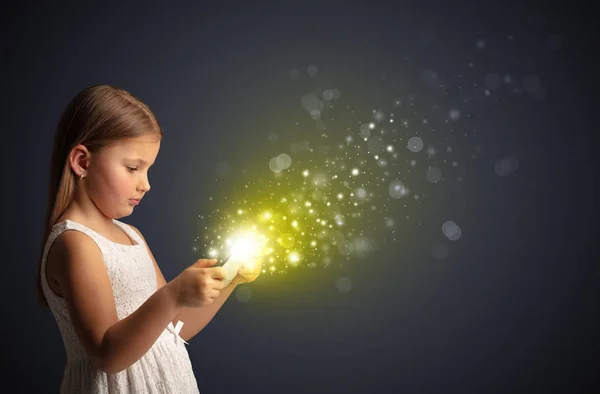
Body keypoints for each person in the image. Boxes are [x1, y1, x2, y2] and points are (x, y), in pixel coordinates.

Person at [35, 84, 261, 393]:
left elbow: (173, 329)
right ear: (83, 162)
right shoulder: (75, 244)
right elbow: (107, 355)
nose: (146, 185)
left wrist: (229, 281)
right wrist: (172, 295)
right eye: (132, 168)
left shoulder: (132, 236)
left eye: (148, 170)